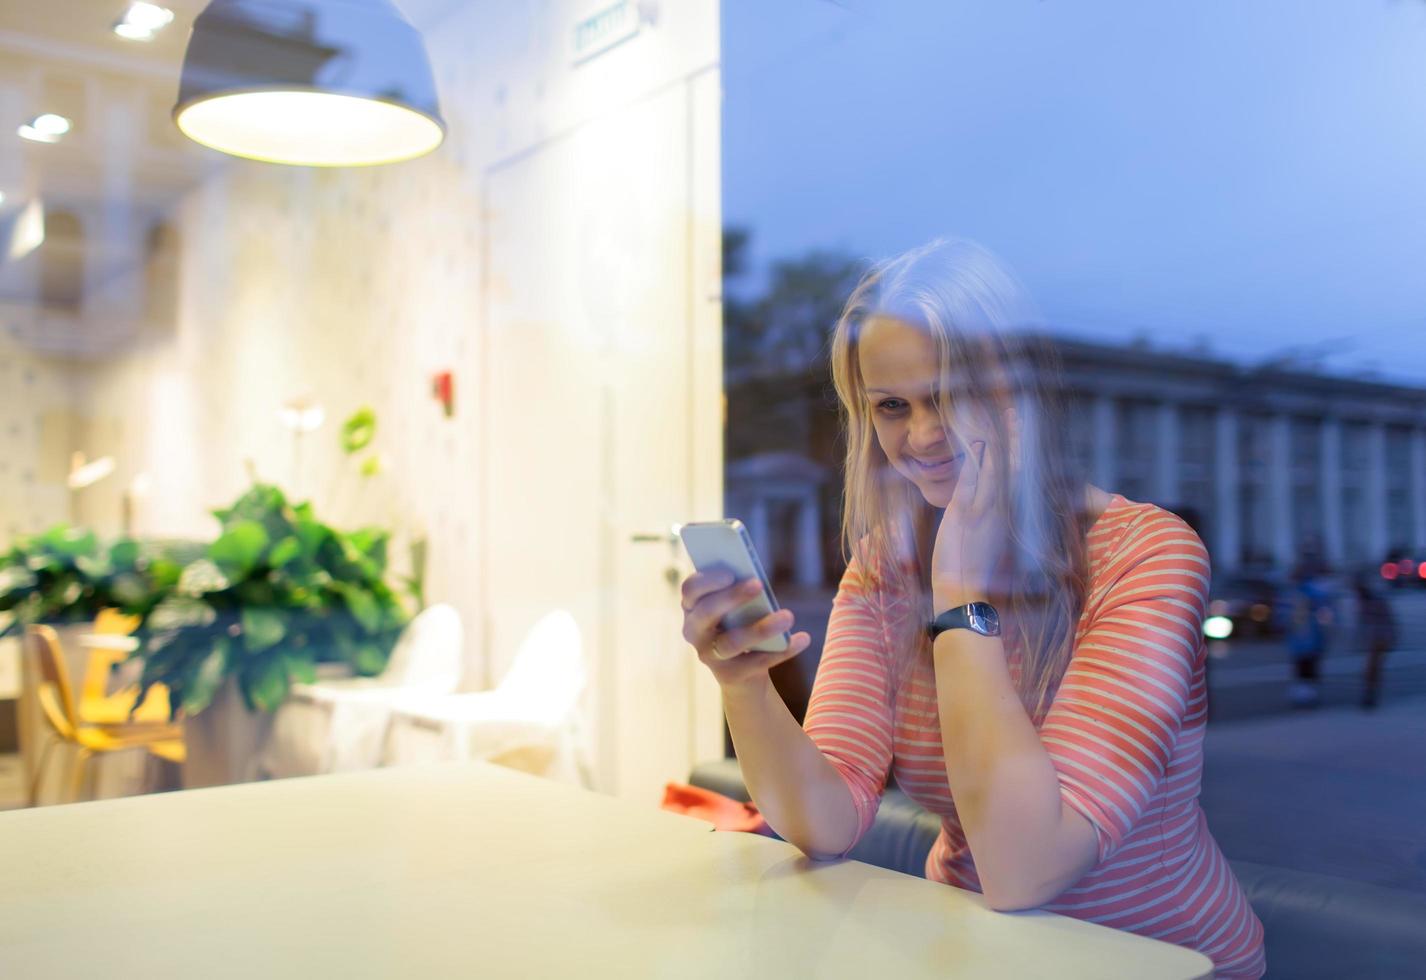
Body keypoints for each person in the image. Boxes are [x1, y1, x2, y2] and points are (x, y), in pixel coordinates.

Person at [680, 239, 1265, 978]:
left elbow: (1028, 868)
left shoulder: (1146, 555)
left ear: (1017, 396)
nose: (923, 437)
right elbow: (825, 822)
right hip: (974, 953)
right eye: (893, 407)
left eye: (953, 397)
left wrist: (960, 590)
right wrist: (744, 685)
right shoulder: (887, 562)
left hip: (1164, 959)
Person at [1286, 554, 1334, 708]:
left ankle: (1307, 692)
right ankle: (1305, 691)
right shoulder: (1298, 591)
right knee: (1304, 663)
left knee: (1308, 663)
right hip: (1302, 636)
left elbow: (1324, 611)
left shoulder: (1310, 591)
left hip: (1308, 635)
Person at [1354, 571, 1398, 710]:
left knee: (1372, 667)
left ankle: (1370, 695)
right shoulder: (1366, 600)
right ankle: (1370, 694)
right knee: (1373, 667)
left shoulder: (1374, 600)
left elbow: (1387, 619)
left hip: (1380, 637)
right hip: (1376, 636)